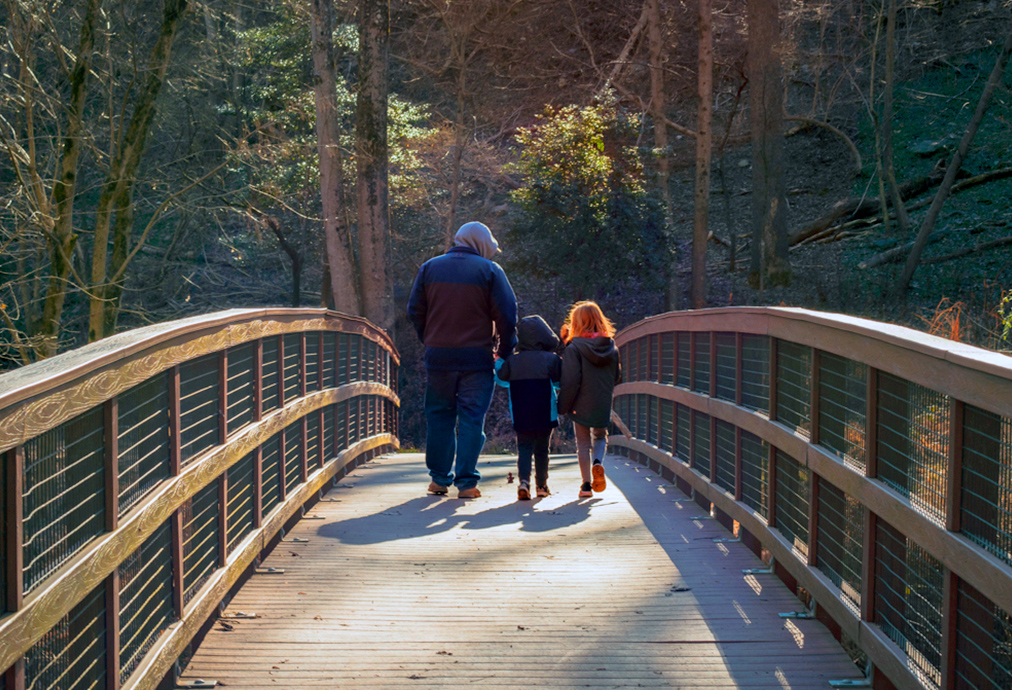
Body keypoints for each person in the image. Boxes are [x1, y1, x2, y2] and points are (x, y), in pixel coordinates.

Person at [407, 221, 518, 499]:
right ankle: (466, 483)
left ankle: (438, 479)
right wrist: (504, 353)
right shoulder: (490, 271)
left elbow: (414, 311)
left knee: (439, 416)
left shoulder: (429, 268)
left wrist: (430, 338)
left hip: (439, 356)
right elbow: (507, 316)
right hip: (477, 358)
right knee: (471, 418)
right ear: (481, 244)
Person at [557, 301, 621, 498]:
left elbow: (570, 380)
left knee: (582, 443)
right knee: (600, 436)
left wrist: (562, 405)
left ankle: (586, 486)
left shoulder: (574, 348)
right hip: (602, 400)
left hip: (580, 402)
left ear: (576, 322)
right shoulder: (611, 347)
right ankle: (598, 463)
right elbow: (617, 377)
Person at [494, 315, 563, 500]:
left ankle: (524, 482)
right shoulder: (552, 359)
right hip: (545, 413)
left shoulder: (514, 361)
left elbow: (501, 378)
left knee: (524, 447)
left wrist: (498, 361)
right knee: (542, 449)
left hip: (521, 412)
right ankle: (542, 485)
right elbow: (558, 383)